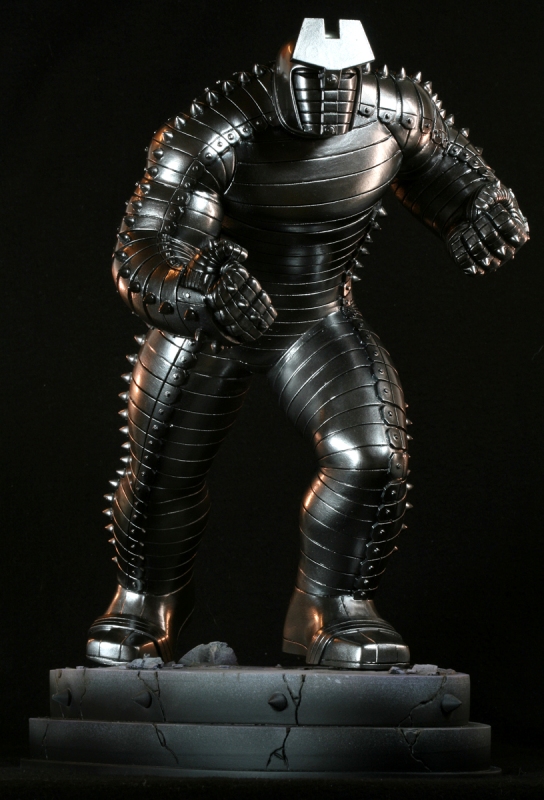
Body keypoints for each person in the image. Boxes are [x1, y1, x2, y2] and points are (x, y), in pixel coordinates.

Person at [87, 18, 528, 669]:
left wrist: (482, 212)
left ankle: (331, 609)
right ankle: (144, 602)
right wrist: (196, 293)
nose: (328, 93)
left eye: (343, 78)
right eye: (312, 79)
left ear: (361, 74)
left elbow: (458, 181)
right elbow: (142, 251)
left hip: (314, 315)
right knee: (161, 471)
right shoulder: (219, 127)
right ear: (285, 72)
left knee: (374, 458)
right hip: (213, 316)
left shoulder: (398, 112)